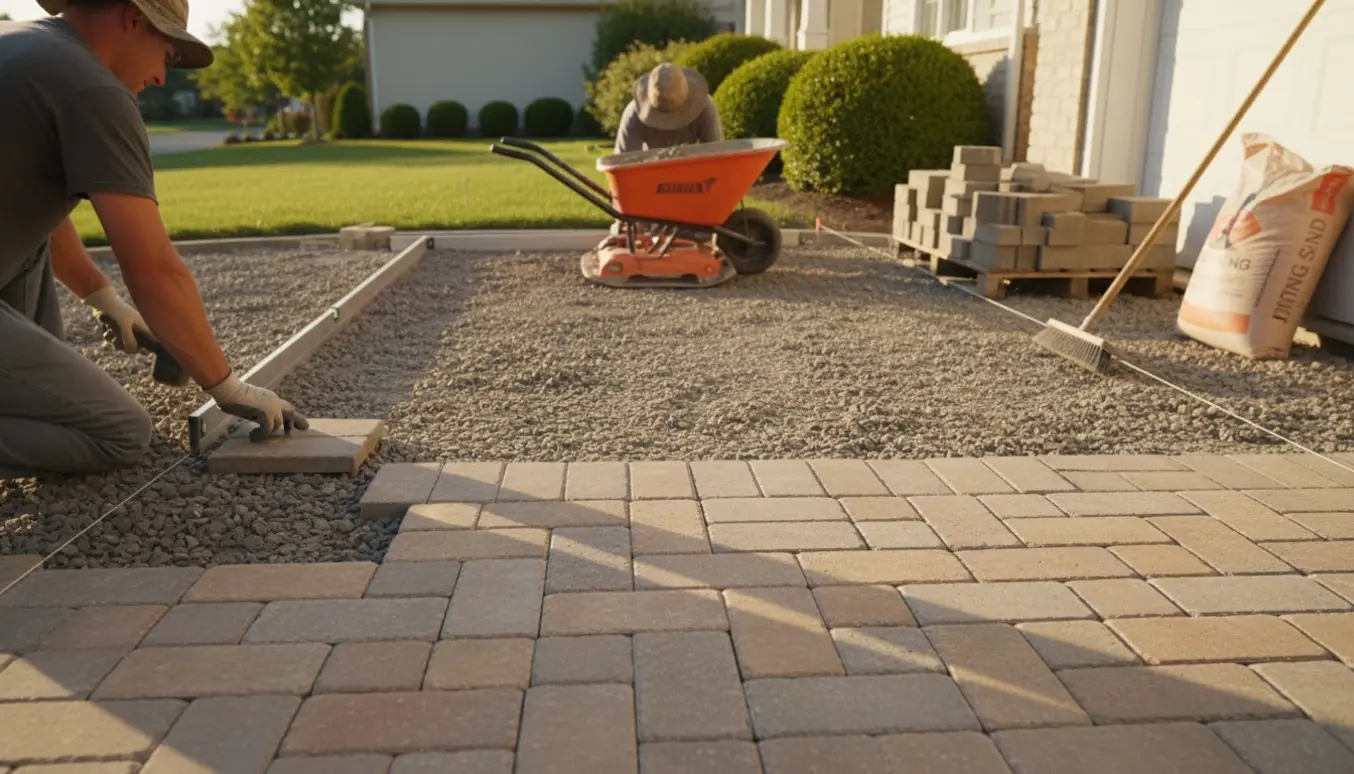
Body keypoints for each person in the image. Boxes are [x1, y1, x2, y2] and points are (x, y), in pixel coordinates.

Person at [0, 0, 308, 479]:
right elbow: (152, 269)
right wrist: (229, 388)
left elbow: (26, 205)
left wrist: (102, 298)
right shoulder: (93, 87)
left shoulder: (21, 46)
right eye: (166, 54)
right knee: (118, 431)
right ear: (133, 17)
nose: (163, 77)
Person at [614, 62, 724, 155]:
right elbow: (623, 164)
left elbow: (716, 154)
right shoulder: (633, 116)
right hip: (649, 169)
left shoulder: (704, 107)